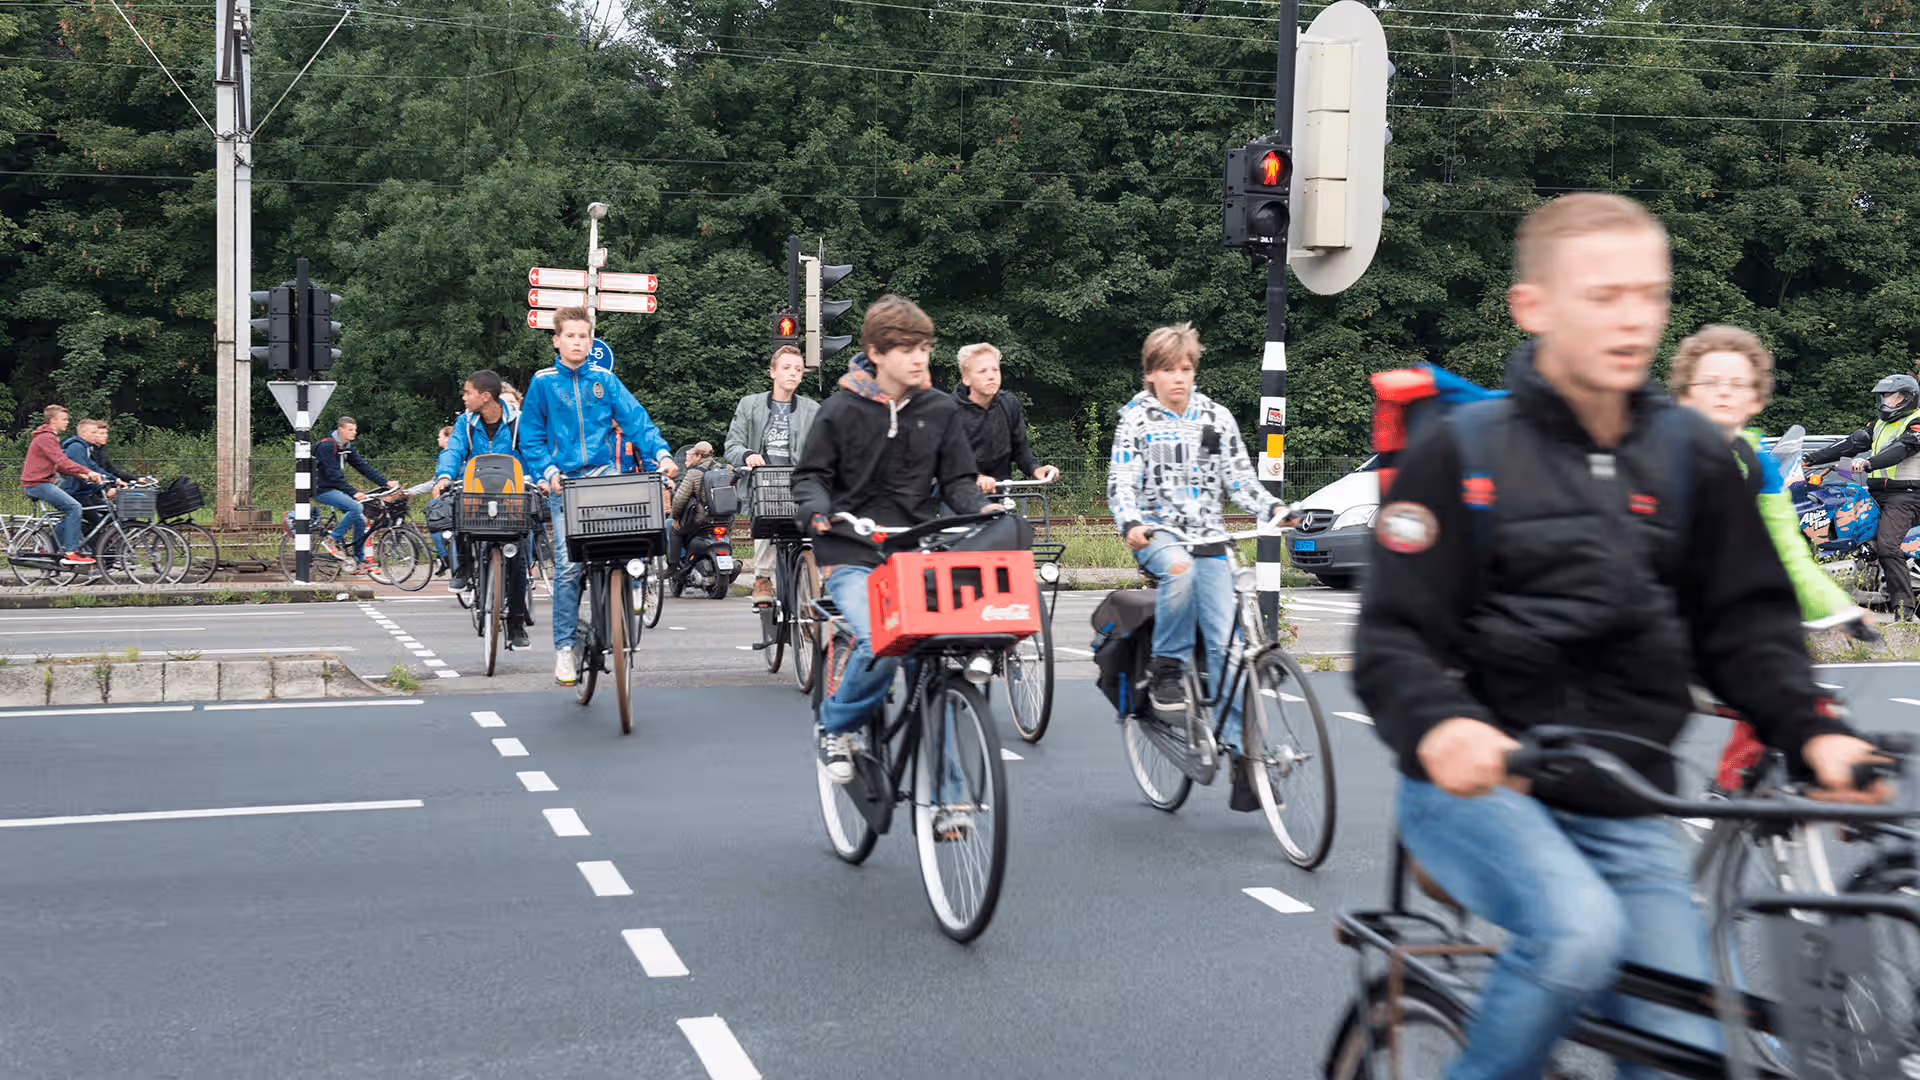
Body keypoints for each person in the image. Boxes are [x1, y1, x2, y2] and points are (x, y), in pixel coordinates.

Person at [1353, 192, 1887, 1080]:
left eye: (1651, 294)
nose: (1635, 317)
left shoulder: (1691, 455)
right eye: (1604, 296)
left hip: (1628, 800)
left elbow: (1744, 624)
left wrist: (1813, 730)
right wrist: (1443, 727)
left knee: (1688, 1051)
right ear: (1532, 307)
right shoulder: (1464, 452)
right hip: (1482, 791)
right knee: (1576, 937)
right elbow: (1393, 639)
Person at [793, 295, 990, 784]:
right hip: (851, 552)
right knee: (882, 639)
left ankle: (951, 800)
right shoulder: (841, 409)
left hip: (915, 552)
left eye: (924, 347)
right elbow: (811, 476)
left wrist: (980, 510)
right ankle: (836, 725)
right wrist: (817, 511)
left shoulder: (940, 410)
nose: (919, 358)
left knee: (936, 667)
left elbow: (959, 481)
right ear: (876, 353)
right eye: (905, 349)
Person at [1669, 325, 1866, 795]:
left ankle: (1735, 795)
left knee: (1804, 701)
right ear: (1684, 395)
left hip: (1733, 630)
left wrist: (1839, 607)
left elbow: (1789, 552)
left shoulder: (1758, 462)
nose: (1724, 392)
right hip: (1662, 625)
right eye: (1710, 382)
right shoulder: (1658, 453)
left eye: (1737, 383)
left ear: (1756, 399)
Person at [1105, 322, 1291, 808]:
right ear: (1151, 374)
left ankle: (1242, 759)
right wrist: (1131, 521)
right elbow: (1122, 480)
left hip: (1210, 537)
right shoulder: (1135, 420)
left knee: (1231, 650)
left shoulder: (1215, 417)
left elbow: (1240, 480)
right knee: (1179, 571)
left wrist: (1273, 508)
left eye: (1185, 368)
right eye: (1168, 370)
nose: (1179, 378)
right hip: (1159, 534)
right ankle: (1166, 666)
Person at [520, 306, 679, 685]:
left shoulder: (605, 380)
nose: (577, 342)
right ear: (557, 341)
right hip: (565, 483)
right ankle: (565, 648)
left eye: (583, 336)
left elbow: (636, 421)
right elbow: (530, 437)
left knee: (626, 546)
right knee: (568, 566)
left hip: (605, 477)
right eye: (570, 336)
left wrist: (661, 454)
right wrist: (548, 472)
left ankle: (626, 597)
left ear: (591, 341)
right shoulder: (543, 382)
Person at [1804, 373, 1920, 621]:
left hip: (1906, 497)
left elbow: (1901, 449)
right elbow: (1850, 444)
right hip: (1878, 492)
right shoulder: (1878, 425)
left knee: (1888, 546)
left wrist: (1869, 463)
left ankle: (1904, 611)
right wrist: (1810, 458)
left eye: (1893, 397)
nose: (1887, 402)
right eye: (1884, 397)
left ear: (1908, 398)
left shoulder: (1916, 423)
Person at [433, 371, 531, 650]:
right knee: (458, 509)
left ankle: (516, 623)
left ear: (485, 396)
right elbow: (453, 451)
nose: (464, 398)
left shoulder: (518, 422)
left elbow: (533, 451)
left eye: (468, 393)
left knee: (517, 556)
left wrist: (541, 478)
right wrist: (444, 476)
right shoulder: (465, 423)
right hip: (476, 489)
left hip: (511, 493)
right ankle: (464, 565)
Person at [725, 344, 820, 601]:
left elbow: (825, 446)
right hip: (764, 485)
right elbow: (732, 444)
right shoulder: (750, 405)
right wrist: (747, 455)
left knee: (819, 520)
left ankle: (814, 577)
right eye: (787, 368)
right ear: (772, 372)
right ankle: (763, 578)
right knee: (768, 519)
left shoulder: (812, 409)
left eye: (798, 369)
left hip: (800, 483)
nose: (793, 373)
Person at [953, 343, 1058, 494]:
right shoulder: (949, 411)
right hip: (957, 495)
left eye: (995, 369)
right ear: (966, 379)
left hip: (1000, 491)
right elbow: (948, 461)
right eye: (982, 371)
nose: (991, 376)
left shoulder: (1009, 404)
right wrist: (976, 477)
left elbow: (1020, 450)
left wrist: (1035, 469)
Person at [20, 405, 102, 565]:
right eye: (64, 419)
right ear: (53, 420)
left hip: (41, 482)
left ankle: (50, 546)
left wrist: (81, 475)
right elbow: (62, 461)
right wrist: (87, 471)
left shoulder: (49, 437)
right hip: (37, 483)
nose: (67, 422)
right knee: (74, 508)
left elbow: (59, 465)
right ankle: (70, 552)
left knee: (70, 512)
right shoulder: (46, 438)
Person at [313, 416, 388, 571]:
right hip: (321, 489)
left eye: (355, 430)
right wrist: (353, 492)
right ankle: (332, 539)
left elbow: (363, 467)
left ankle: (359, 559)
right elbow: (333, 475)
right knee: (356, 507)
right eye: (350, 429)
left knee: (360, 519)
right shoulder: (327, 446)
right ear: (340, 430)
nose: (354, 432)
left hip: (334, 488)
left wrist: (385, 483)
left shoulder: (346, 446)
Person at [61, 419, 139, 506]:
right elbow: (83, 473)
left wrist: (116, 480)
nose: (96, 436)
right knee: (105, 510)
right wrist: (106, 489)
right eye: (93, 433)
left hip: (83, 491)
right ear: (83, 433)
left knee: (110, 510)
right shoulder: (76, 448)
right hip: (75, 492)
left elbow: (95, 468)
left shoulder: (85, 448)